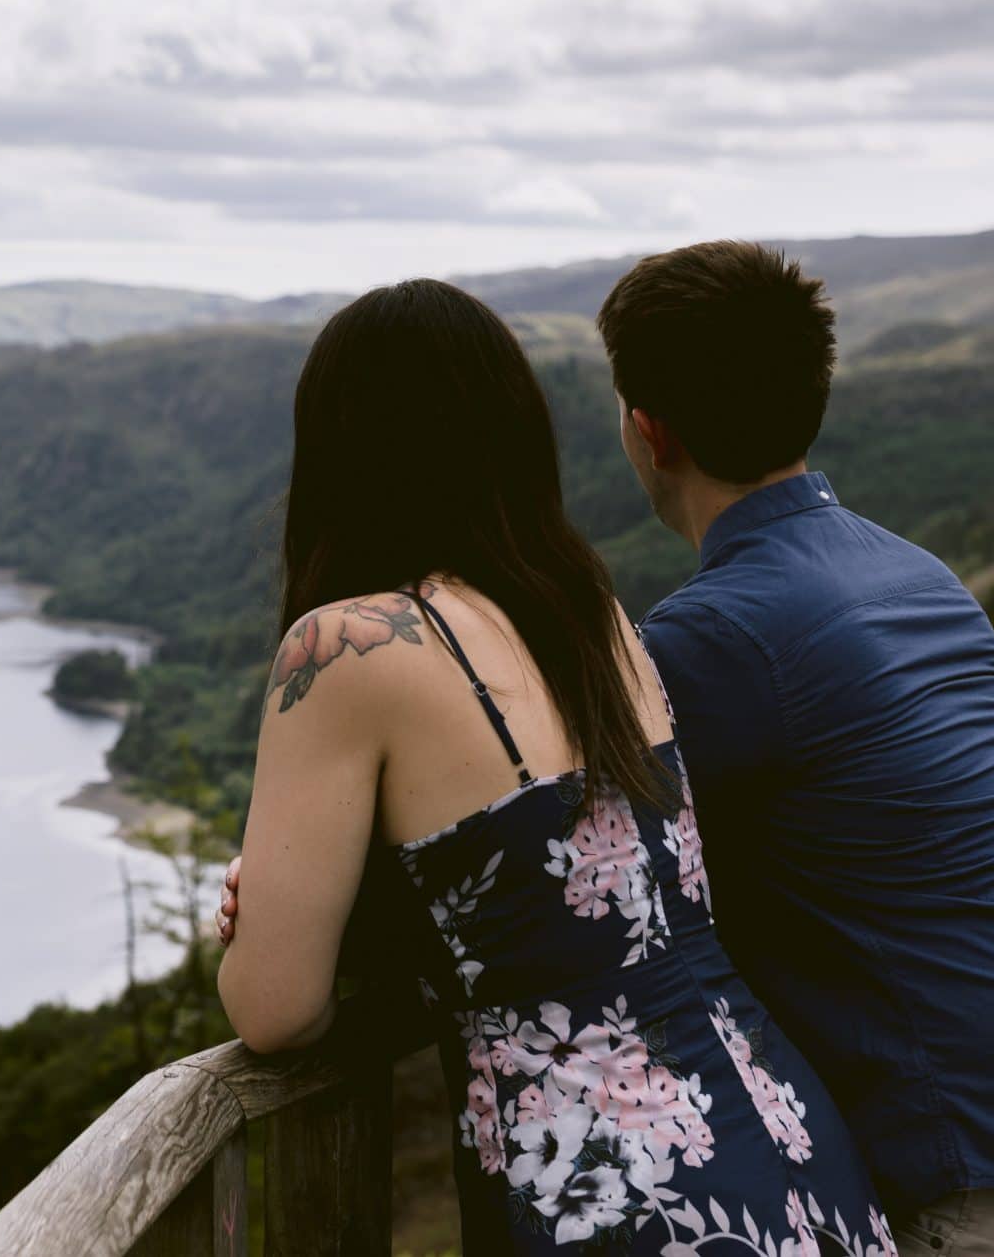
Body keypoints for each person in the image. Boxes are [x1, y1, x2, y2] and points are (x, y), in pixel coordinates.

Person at [214, 278, 892, 1256]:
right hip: (794, 1149)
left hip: (616, 1199)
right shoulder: (590, 613)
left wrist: (257, 918)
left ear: (335, 451)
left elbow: (273, 1011)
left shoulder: (344, 648)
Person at [598, 241, 994, 1254]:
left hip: (984, 1156)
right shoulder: (918, 575)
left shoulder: (709, 639)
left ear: (648, 432)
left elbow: (565, 866)